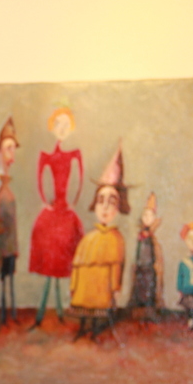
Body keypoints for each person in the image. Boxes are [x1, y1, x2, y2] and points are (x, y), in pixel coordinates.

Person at [29, 107, 84, 328]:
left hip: (66, 215)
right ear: (52, 127)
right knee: (49, 264)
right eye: (58, 124)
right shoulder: (47, 155)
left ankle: (61, 309)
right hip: (52, 215)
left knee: (62, 263)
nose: (62, 128)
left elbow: (78, 182)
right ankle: (42, 313)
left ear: (71, 128)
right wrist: (47, 202)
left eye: (66, 124)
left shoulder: (75, 154)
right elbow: (41, 180)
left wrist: (71, 204)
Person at [69, 144, 130, 341]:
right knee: (83, 309)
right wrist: (73, 286)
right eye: (101, 200)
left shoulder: (116, 239)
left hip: (102, 293)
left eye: (111, 202)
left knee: (98, 310)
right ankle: (82, 328)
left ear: (119, 207)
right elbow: (77, 266)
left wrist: (115, 288)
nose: (104, 208)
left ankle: (95, 330)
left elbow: (116, 267)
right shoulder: (88, 239)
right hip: (83, 291)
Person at [0, 117, 20, 324]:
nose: (11, 152)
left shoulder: (11, 181)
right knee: (1, 277)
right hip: (0, 243)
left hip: (10, 243)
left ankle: (11, 313)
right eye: (8, 148)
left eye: (13, 148)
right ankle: (2, 312)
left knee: (10, 277)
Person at [127, 192, 165, 323]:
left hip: (150, 269)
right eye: (145, 215)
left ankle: (149, 313)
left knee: (149, 290)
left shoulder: (153, 239)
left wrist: (156, 266)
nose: (147, 218)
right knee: (139, 290)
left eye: (150, 215)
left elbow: (157, 255)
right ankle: (139, 314)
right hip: (140, 268)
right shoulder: (140, 236)